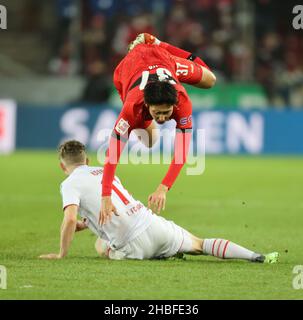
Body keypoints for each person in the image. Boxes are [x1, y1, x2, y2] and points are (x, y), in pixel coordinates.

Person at [39, 140, 279, 264]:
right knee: (199, 244)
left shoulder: (69, 183)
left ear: (63, 166)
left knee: (101, 246)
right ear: (88, 159)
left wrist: (62, 253)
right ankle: (255, 256)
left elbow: (69, 219)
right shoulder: (104, 171)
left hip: (132, 245)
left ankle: (154, 254)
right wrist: (87, 223)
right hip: (153, 224)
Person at [101, 33, 217, 226]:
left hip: (164, 59)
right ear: (147, 104)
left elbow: (181, 152)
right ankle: (142, 50)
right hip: (129, 70)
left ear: (175, 103)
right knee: (150, 140)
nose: (163, 118)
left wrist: (164, 187)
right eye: (157, 112)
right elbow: (113, 152)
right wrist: (106, 194)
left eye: (167, 112)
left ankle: (157, 43)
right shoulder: (132, 108)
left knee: (210, 79)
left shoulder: (183, 102)